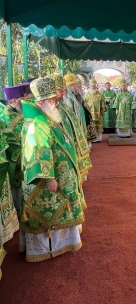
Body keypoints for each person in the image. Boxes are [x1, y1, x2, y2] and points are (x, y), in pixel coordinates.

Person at [20, 77, 85, 262]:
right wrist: (49, 178)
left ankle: (62, 243)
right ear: (41, 101)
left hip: (62, 174)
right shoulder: (37, 123)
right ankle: (47, 248)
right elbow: (39, 152)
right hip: (48, 180)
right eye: (53, 100)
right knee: (50, 214)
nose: (57, 102)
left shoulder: (46, 117)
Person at [50, 73, 92, 183]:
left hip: (71, 146)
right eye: (61, 90)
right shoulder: (46, 112)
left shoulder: (65, 104)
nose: (64, 92)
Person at [0, 85, 25, 217]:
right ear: (14, 100)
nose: (24, 101)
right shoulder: (11, 117)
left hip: (13, 160)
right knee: (17, 192)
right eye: (21, 98)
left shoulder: (5, 113)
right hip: (14, 161)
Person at [84, 78, 106, 142]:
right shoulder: (87, 94)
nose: (93, 87)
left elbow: (102, 102)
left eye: (94, 85)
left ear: (96, 86)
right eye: (92, 85)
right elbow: (84, 103)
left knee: (98, 125)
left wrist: (103, 110)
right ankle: (93, 138)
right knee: (92, 125)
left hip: (98, 113)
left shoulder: (99, 94)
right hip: (90, 113)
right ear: (90, 86)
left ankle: (99, 138)